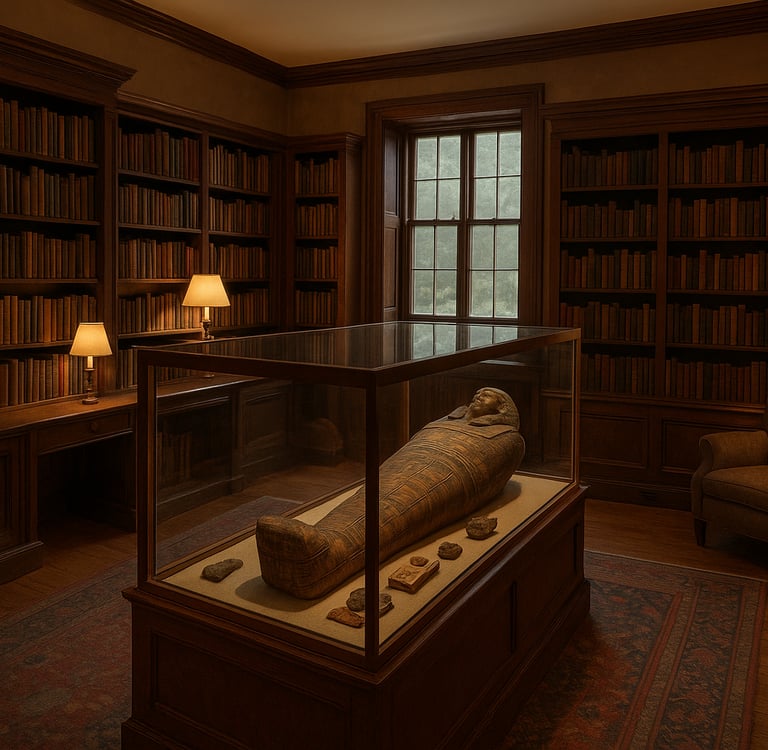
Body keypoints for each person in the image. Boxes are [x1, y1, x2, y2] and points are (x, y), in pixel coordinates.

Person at [255, 387, 526, 599]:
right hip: (415, 456)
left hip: (451, 468)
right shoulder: (447, 420)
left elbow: (489, 481)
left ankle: (328, 556)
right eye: (477, 393)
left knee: (402, 505)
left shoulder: (507, 439)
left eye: (486, 395)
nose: (478, 396)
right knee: (372, 494)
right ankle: (323, 540)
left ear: (501, 408)